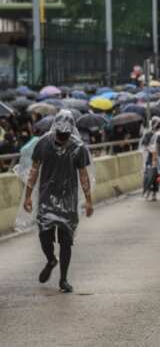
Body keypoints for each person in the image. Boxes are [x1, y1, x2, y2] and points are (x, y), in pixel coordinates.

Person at [22, 110, 94, 293]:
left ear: (71, 132)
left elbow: (83, 175)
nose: (62, 138)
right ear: (55, 130)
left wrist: (89, 200)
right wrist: (28, 195)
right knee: (44, 233)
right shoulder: (43, 143)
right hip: (47, 196)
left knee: (66, 240)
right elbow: (34, 170)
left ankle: (63, 279)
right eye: (60, 135)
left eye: (66, 135)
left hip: (68, 198)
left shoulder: (78, 147)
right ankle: (50, 259)